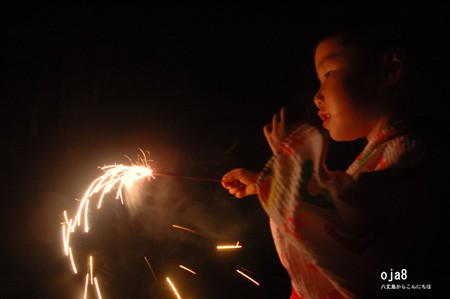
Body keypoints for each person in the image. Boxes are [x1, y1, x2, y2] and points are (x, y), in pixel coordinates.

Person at [221, 5, 449, 299]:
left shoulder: (412, 158)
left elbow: (353, 240)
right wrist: (271, 181)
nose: (317, 96)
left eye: (329, 72)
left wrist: (291, 165)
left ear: (389, 68)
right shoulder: (388, 155)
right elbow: (343, 202)